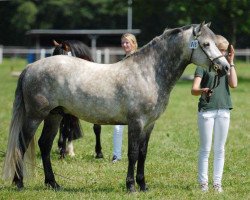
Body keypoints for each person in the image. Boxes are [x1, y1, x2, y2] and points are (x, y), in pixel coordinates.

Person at [191, 35, 238, 192]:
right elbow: (194, 90)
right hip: (207, 110)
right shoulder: (202, 67)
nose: (223, 53)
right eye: (221, 50)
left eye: (225, 51)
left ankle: (217, 183)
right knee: (206, 149)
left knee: (220, 149)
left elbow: (234, 84)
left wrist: (231, 63)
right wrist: (202, 90)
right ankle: (203, 183)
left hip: (224, 110)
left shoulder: (226, 66)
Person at [112, 33, 138, 163]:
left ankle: (135, 155)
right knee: (117, 127)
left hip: (136, 101)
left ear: (133, 43)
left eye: (127, 42)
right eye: (123, 43)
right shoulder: (122, 60)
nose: (125, 45)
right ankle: (116, 155)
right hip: (122, 100)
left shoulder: (139, 59)